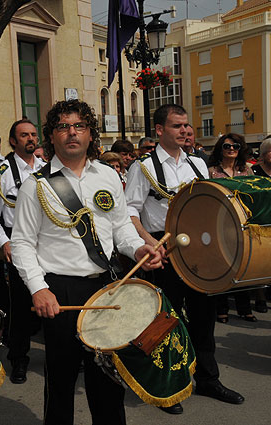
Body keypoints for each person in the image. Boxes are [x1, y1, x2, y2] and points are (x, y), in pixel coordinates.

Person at [11, 99, 161, 425]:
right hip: (61, 291)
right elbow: (22, 243)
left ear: (91, 134)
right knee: (62, 383)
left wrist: (137, 249)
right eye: (63, 127)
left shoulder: (107, 175)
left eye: (79, 126)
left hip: (106, 287)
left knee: (108, 382)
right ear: (51, 136)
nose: (71, 133)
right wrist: (38, 289)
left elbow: (121, 227)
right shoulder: (33, 186)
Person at [125, 104, 245, 414]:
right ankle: (167, 385)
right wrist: (150, 242)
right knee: (164, 320)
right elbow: (130, 211)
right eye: (177, 126)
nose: (184, 131)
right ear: (160, 130)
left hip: (197, 250)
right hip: (162, 249)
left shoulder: (197, 164)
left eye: (185, 125)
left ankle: (207, 378)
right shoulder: (143, 167)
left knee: (204, 316)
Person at [0, 119, 45, 384]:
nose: (30, 138)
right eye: (24, 135)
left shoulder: (48, 169)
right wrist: (4, 242)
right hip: (18, 240)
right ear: (12, 141)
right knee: (20, 303)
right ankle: (19, 358)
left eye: (33, 134)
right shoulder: (2, 173)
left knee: (53, 298)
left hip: (47, 242)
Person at [206, 133, 258, 323]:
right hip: (220, 224)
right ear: (220, 149)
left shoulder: (248, 170)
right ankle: (222, 309)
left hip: (243, 224)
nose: (231, 150)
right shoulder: (211, 171)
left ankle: (245, 308)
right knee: (223, 267)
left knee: (242, 266)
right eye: (227, 146)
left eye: (235, 146)